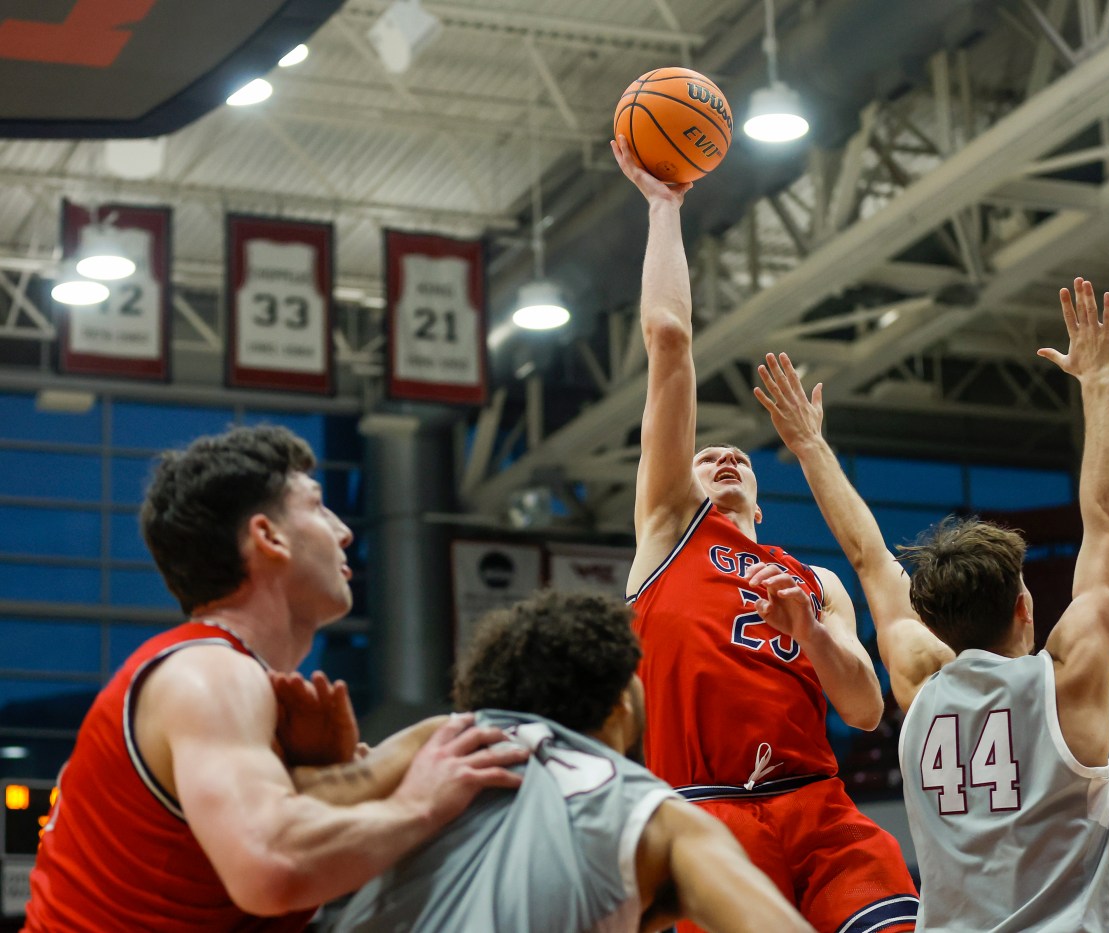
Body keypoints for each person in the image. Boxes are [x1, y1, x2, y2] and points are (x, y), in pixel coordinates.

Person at [24, 426, 528, 931]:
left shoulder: (223, 679)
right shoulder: (209, 675)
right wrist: (420, 803)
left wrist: (329, 776)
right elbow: (271, 866)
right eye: (317, 506)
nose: (343, 531)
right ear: (269, 537)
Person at [753, 276, 1109, 931]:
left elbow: (870, 558)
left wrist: (811, 448)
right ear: (1024, 605)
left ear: (935, 624)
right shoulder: (1069, 678)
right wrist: (1097, 382)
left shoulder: (920, 680)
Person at [612, 133, 920, 933]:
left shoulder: (815, 582)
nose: (719, 452)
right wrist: (664, 208)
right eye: (704, 452)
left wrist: (813, 634)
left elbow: (861, 706)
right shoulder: (666, 534)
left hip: (817, 805)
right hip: (704, 814)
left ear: (761, 499)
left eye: (737, 454)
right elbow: (670, 340)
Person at [333, 590, 813, 933]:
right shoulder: (664, 819)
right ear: (621, 703)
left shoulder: (441, 740)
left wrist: (319, 758)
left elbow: (287, 819)